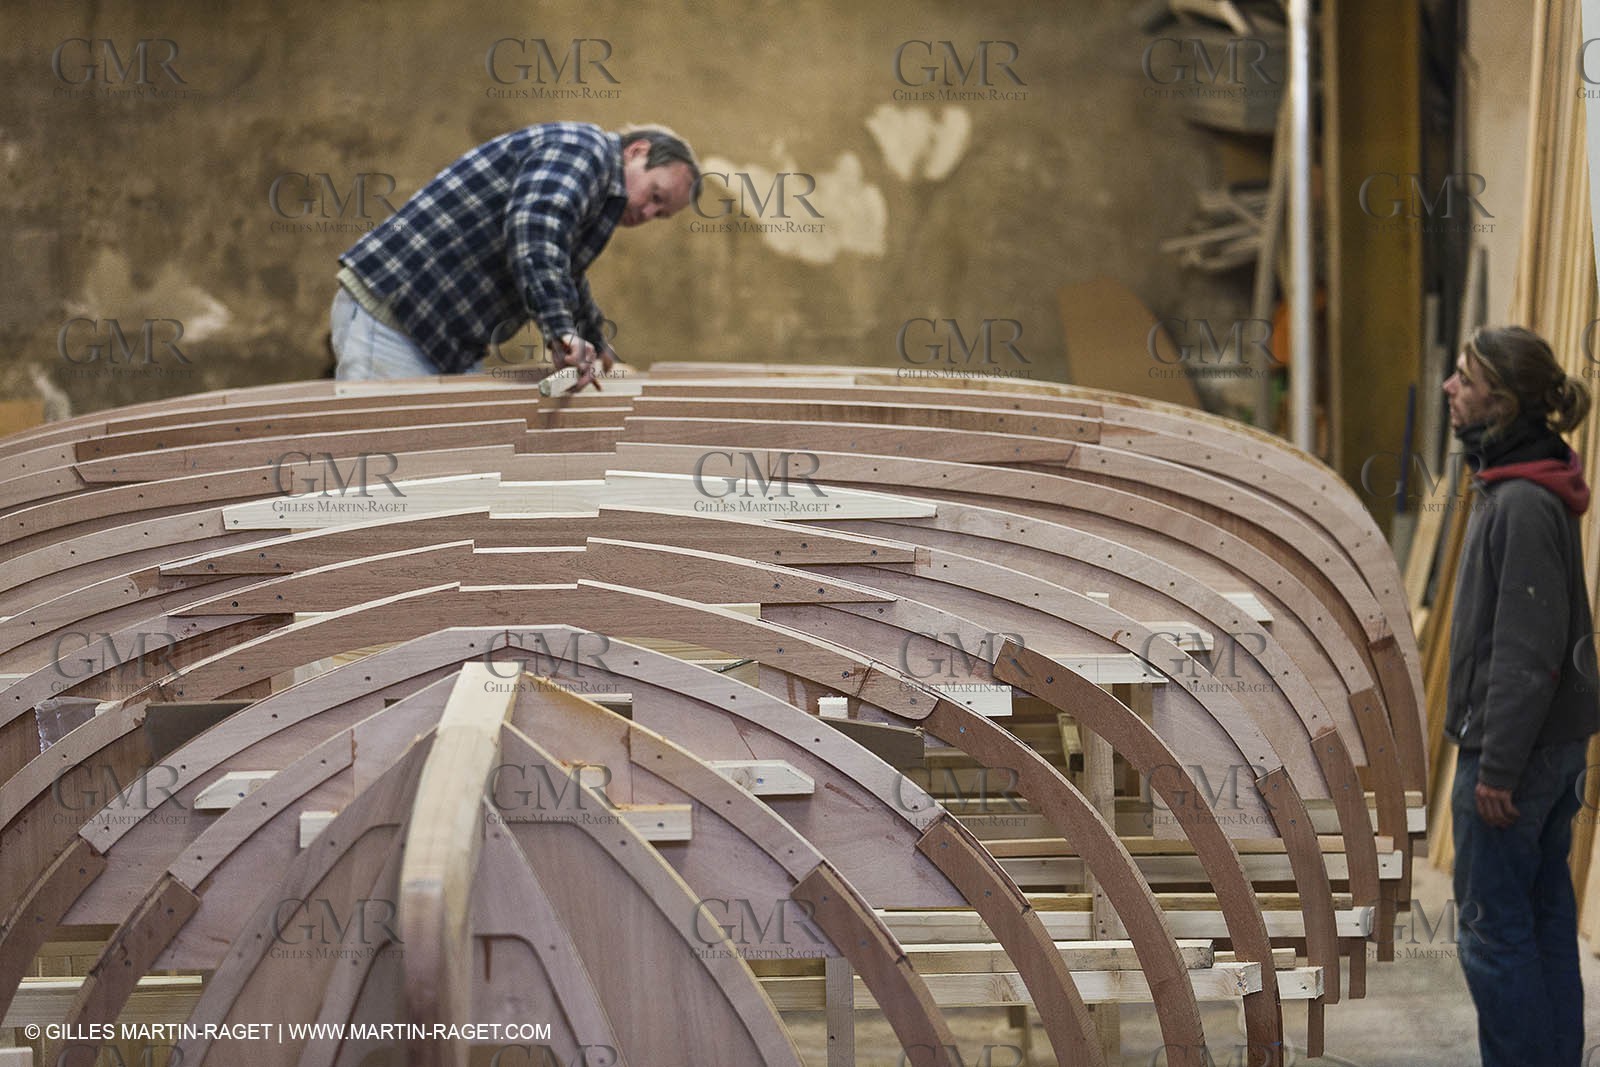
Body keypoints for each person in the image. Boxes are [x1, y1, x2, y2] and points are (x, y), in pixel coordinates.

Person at [1442, 324, 1598, 1067]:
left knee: (1493, 934)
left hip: (1518, 758)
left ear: (1499, 402)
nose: (1449, 387)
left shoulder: (1523, 505)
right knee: (1539, 921)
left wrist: (1498, 765)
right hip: (1546, 750)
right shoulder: (1521, 487)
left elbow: (1526, 654)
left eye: (1465, 379)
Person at [329, 122, 698, 389]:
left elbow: (564, 268)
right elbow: (536, 229)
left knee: (445, 465)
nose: (648, 214)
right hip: (393, 318)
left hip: (439, 340)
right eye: (655, 195)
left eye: (660, 214)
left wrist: (594, 342)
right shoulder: (585, 150)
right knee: (387, 463)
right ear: (637, 151)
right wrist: (562, 333)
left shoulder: (598, 193)